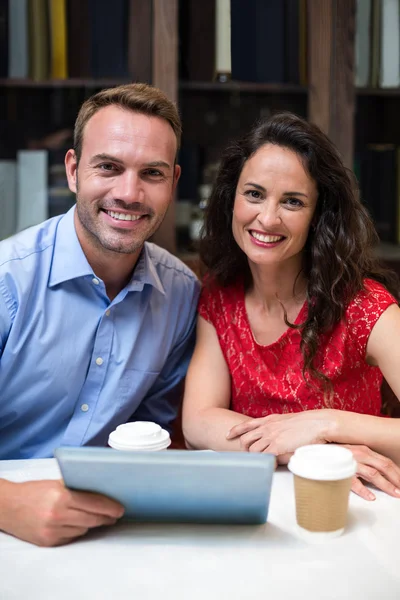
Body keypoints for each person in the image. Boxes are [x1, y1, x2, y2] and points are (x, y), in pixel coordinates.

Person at [0, 83, 200, 546]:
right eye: (108, 167)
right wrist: (9, 504)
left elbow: (152, 434)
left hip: (110, 527)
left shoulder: (181, 295)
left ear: (173, 182)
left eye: (151, 173)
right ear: (73, 170)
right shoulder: (8, 283)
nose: (128, 193)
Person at [182, 112, 400, 502]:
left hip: (352, 507)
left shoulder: (365, 307)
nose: (267, 217)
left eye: (293, 201)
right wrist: (303, 449)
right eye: (254, 194)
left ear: (318, 216)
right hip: (256, 503)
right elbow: (198, 422)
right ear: (230, 198)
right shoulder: (220, 294)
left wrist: (324, 423)